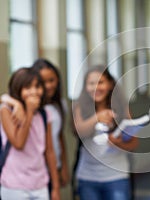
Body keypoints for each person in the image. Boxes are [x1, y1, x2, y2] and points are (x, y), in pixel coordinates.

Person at [72, 65, 138, 200]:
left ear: (109, 84)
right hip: (88, 177)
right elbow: (79, 130)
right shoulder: (80, 106)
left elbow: (134, 143)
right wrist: (97, 118)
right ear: (85, 86)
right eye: (91, 83)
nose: (96, 88)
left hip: (117, 176)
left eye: (100, 82)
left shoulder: (121, 106)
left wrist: (119, 144)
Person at [0, 67, 60, 200]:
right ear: (18, 89)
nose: (34, 91)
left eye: (37, 86)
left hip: (40, 185)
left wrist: (55, 187)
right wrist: (28, 112)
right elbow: (18, 143)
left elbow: (49, 151)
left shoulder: (44, 114)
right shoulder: (6, 111)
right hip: (14, 186)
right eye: (27, 87)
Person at [32, 58, 70, 189]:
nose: (48, 86)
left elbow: (59, 137)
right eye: (43, 82)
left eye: (51, 80)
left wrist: (64, 167)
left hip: (54, 165)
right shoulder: (32, 108)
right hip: (36, 170)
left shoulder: (60, 105)